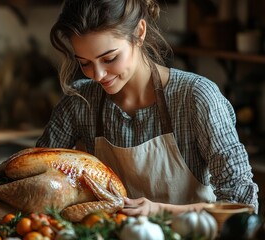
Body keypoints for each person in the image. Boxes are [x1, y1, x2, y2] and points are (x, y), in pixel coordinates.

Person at [36, 0, 259, 216]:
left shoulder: (196, 97)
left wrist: (161, 211)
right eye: (84, 63)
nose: (98, 74)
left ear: (139, 32)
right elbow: (36, 175)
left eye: (110, 58)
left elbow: (242, 203)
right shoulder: (80, 102)